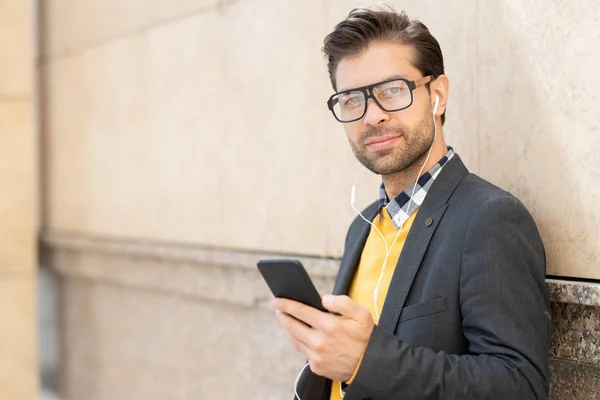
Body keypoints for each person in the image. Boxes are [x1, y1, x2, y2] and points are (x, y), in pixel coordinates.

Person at [270, 6, 550, 400]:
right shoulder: (362, 227)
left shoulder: (489, 218)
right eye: (352, 100)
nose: (372, 116)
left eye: (392, 91)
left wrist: (365, 362)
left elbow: (519, 386)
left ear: (437, 95)